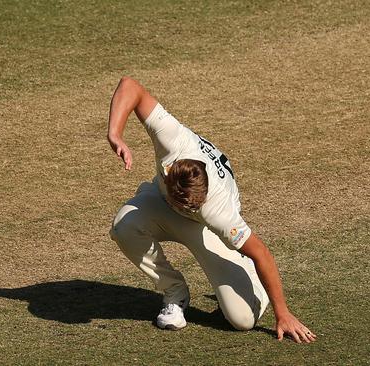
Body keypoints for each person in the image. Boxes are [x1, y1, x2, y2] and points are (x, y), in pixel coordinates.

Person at [107, 76, 316, 343]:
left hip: (205, 228)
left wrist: (283, 313)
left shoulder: (218, 211)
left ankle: (246, 277)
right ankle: (174, 291)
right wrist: (115, 134)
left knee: (242, 320)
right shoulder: (172, 140)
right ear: (172, 175)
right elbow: (130, 86)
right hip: (159, 202)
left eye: (193, 203)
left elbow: (261, 253)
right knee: (124, 226)